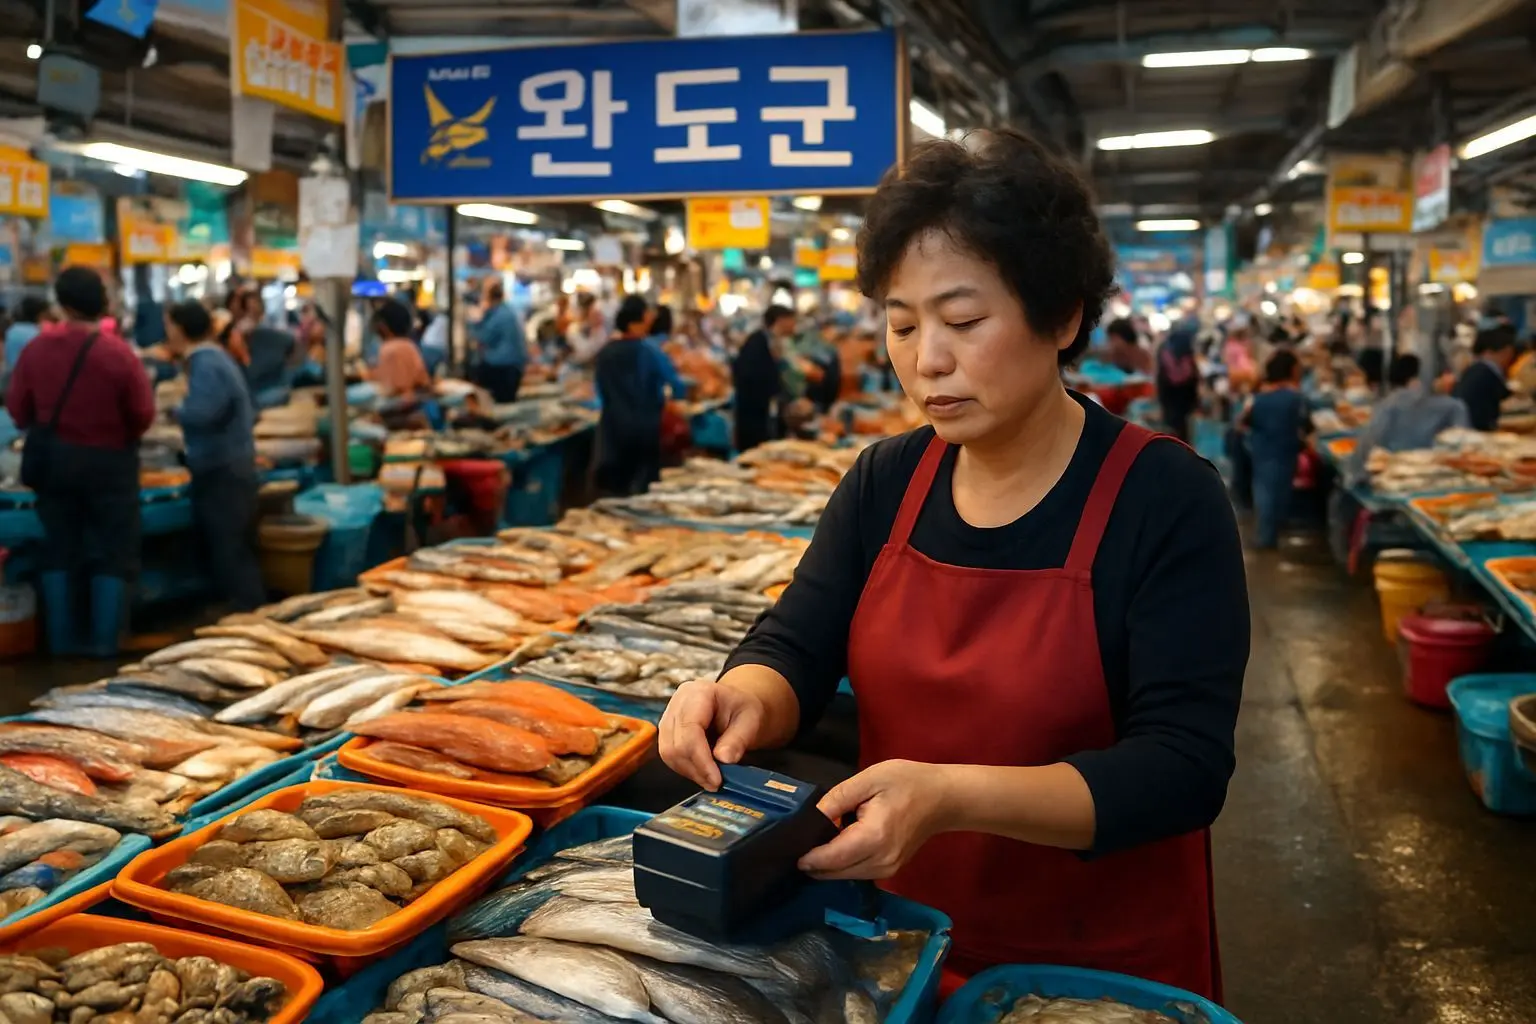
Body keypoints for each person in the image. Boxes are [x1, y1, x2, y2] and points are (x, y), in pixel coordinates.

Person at [658, 130, 1247, 999]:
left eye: (964, 322)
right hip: (900, 943)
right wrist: (741, 695)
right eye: (902, 324)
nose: (926, 359)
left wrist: (950, 798)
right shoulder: (886, 481)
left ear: (1062, 317)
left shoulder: (1164, 496)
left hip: (1100, 970)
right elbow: (796, 644)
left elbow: (1182, 768)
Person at [7, 267, 155, 655]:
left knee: (58, 550)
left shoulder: (36, 350)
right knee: (112, 552)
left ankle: (62, 645)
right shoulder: (118, 354)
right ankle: (104, 647)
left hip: (54, 466)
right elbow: (142, 414)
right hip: (110, 466)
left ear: (62, 303)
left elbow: (18, 411)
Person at [163, 300, 265, 611]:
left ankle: (248, 614)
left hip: (222, 469)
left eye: (169, 326)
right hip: (230, 465)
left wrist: (174, 412)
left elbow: (204, 412)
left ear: (180, 329)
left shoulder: (206, 361)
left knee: (229, 548)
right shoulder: (215, 358)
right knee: (230, 546)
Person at [1347, 354, 1469, 485]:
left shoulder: (1388, 404)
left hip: (1387, 477)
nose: (1449, 379)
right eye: (1442, 375)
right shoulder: (1451, 407)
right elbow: (1464, 448)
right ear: (1417, 380)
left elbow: (1367, 445)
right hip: (1430, 480)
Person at [594, 296, 665, 496]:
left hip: (613, 431)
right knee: (644, 493)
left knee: (616, 492)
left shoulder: (606, 352)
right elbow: (669, 386)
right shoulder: (648, 351)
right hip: (644, 430)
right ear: (636, 322)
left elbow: (599, 391)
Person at [1239, 349, 1309, 550]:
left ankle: (1266, 536)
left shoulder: (1259, 397)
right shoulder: (1295, 398)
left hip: (1264, 449)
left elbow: (1243, 422)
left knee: (1265, 492)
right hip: (1286, 449)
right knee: (1280, 490)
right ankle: (1272, 532)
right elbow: (1304, 423)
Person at [733, 306, 794, 451]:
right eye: (792, 320)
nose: (794, 325)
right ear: (781, 320)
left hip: (763, 409)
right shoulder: (757, 342)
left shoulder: (773, 341)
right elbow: (747, 375)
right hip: (754, 412)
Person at [469, 280, 528, 403]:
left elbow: (484, 337)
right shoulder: (508, 311)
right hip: (514, 365)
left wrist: (474, 322)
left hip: (502, 367)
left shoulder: (498, 315)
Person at [1453, 325, 1517, 431]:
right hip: (1477, 429)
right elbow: (1503, 395)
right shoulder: (1487, 370)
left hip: (1463, 426)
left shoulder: (1475, 369)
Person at [371, 300, 434, 401]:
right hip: (417, 404)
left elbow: (390, 387)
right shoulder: (410, 346)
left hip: (398, 406)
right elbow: (423, 381)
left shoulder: (388, 348)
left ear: (383, 327)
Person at [1155, 320, 1200, 442]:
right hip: (1184, 396)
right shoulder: (1187, 353)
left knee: (1171, 426)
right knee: (1183, 427)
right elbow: (1194, 377)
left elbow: (1160, 377)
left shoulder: (1164, 350)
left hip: (1170, 396)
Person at [3, 296, 51, 396]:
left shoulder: (12, 330)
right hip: (31, 381)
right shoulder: (39, 333)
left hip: (11, 379)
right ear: (40, 314)